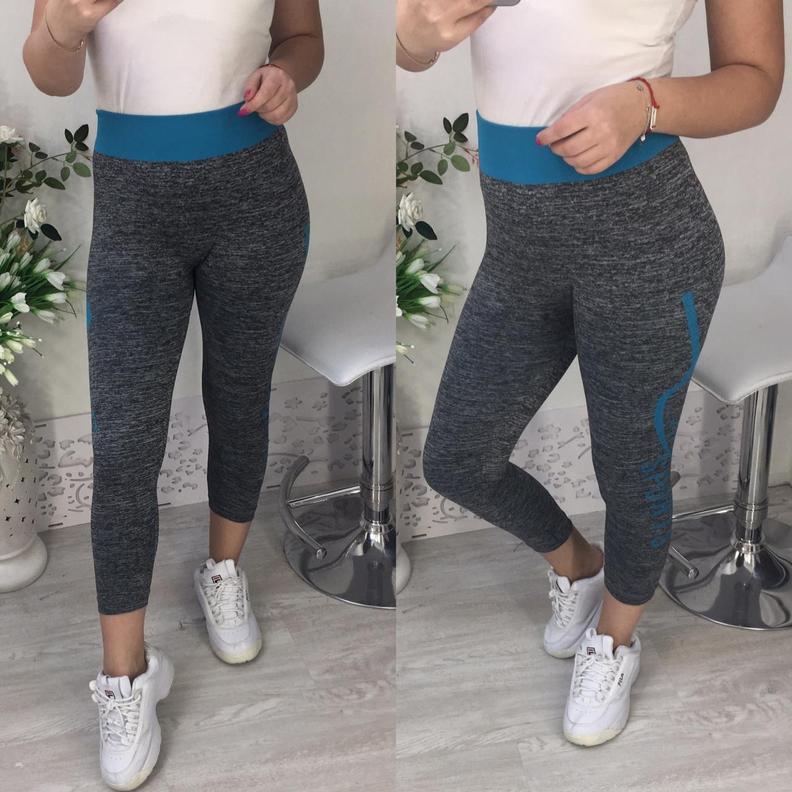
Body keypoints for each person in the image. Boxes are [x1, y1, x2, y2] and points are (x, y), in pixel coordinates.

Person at [397, 0, 784, 746]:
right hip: (521, 251)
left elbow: (757, 80)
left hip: (648, 240)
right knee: (456, 459)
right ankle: (579, 567)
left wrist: (645, 104)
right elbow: (415, 42)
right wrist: (411, 37)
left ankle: (614, 640)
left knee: (630, 470)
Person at [23, 1, 323, 787]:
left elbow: (303, 38)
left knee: (240, 398)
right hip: (135, 212)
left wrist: (285, 75)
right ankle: (126, 677)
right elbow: (47, 73)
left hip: (259, 198)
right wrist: (68, 24)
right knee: (124, 444)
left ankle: (222, 571)